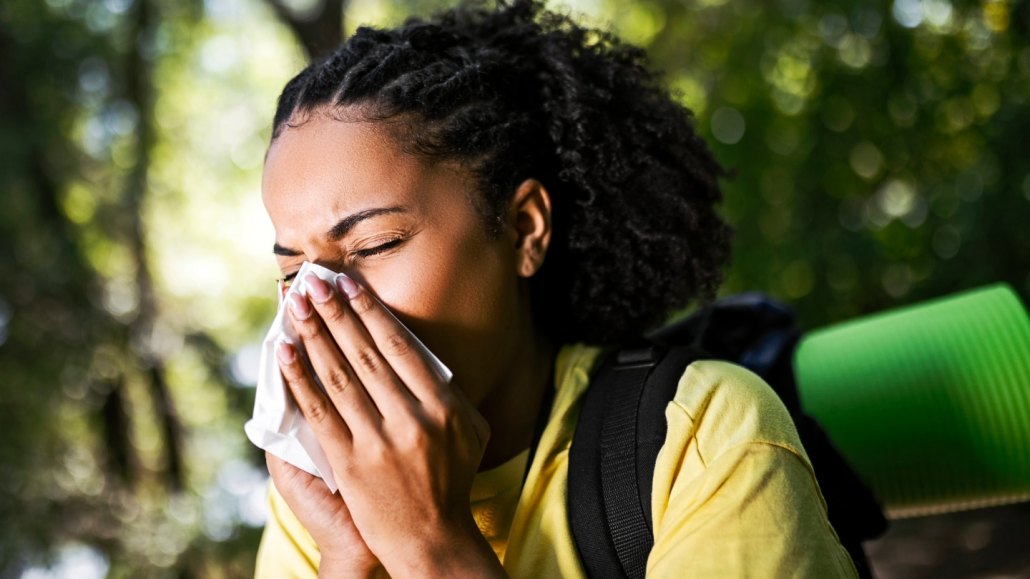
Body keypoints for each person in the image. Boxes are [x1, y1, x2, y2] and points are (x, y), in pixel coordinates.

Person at [253, 0, 859, 576]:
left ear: (523, 230)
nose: (316, 305)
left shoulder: (701, 436)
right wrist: (348, 559)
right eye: (292, 272)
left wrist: (427, 545)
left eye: (374, 246)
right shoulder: (314, 510)